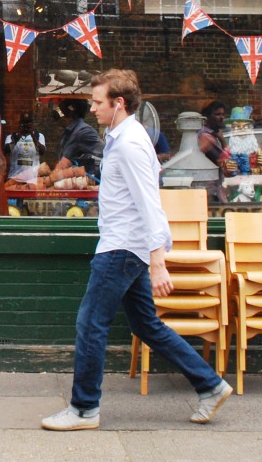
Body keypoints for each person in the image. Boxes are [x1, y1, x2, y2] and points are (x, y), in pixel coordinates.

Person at [42, 69, 231, 431]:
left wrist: (158, 260)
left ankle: (84, 409)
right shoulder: (120, 137)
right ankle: (211, 385)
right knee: (148, 325)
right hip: (124, 243)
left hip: (121, 247)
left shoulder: (129, 143)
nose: (93, 108)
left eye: (98, 102)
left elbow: (149, 202)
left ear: (119, 103)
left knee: (90, 324)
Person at [56, 98, 104, 179]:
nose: (59, 118)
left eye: (62, 113)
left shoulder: (81, 132)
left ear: (72, 112)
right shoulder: (71, 131)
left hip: (93, 179)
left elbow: (63, 165)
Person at [197, 100, 234, 203]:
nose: (222, 117)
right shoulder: (206, 137)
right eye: (217, 114)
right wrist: (223, 141)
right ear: (208, 117)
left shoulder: (212, 135)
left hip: (212, 191)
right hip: (209, 194)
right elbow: (228, 168)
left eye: (223, 114)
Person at [4, 113, 46, 183]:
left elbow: (42, 151)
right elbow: (7, 151)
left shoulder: (39, 136)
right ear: (19, 124)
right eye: (24, 124)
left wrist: (33, 135)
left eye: (28, 124)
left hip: (32, 179)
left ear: (33, 124)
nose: (26, 127)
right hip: (15, 178)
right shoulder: (12, 137)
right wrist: (16, 139)